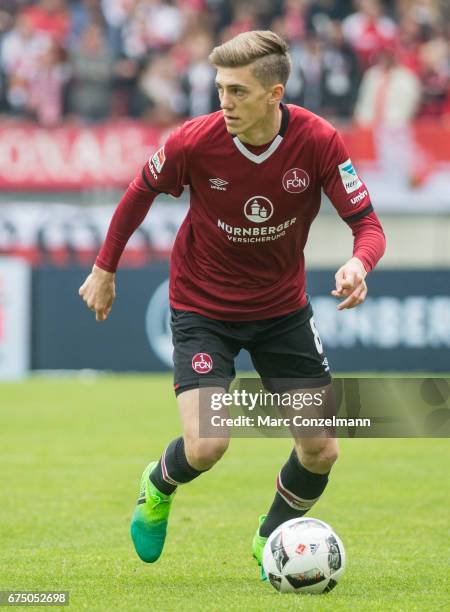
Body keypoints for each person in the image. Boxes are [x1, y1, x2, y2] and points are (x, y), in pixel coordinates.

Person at [79, 30, 385, 579]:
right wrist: (105, 267)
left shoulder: (317, 140)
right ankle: (157, 485)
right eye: (220, 88)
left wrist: (359, 263)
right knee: (208, 445)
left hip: (282, 310)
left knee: (321, 450)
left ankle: (271, 539)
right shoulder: (195, 141)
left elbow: (367, 224)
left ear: (275, 94)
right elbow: (138, 192)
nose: (225, 103)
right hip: (203, 306)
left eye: (239, 91)